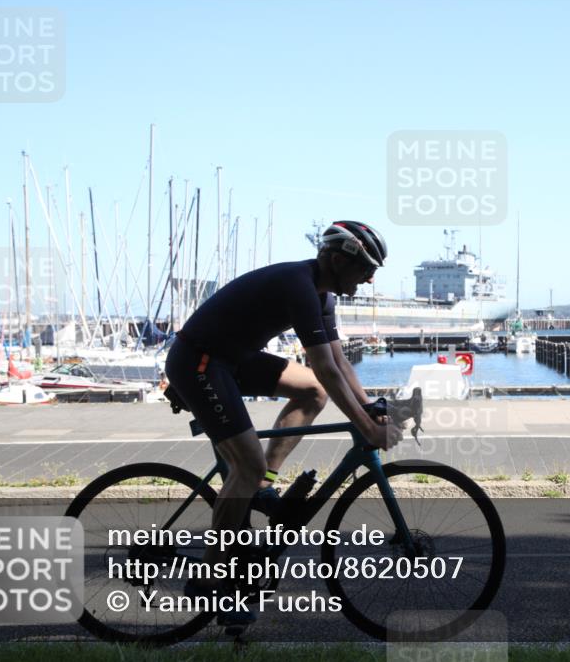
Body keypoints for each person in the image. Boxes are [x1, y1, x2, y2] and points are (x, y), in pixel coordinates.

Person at [164, 221, 402, 625]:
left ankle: (261, 485)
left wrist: (369, 405)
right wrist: (365, 426)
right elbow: (325, 366)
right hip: (201, 362)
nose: (368, 278)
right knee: (246, 464)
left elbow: (340, 363)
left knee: (311, 392)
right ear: (337, 258)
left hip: (230, 358)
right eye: (364, 268)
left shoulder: (323, 296)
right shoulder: (299, 285)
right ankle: (206, 583)